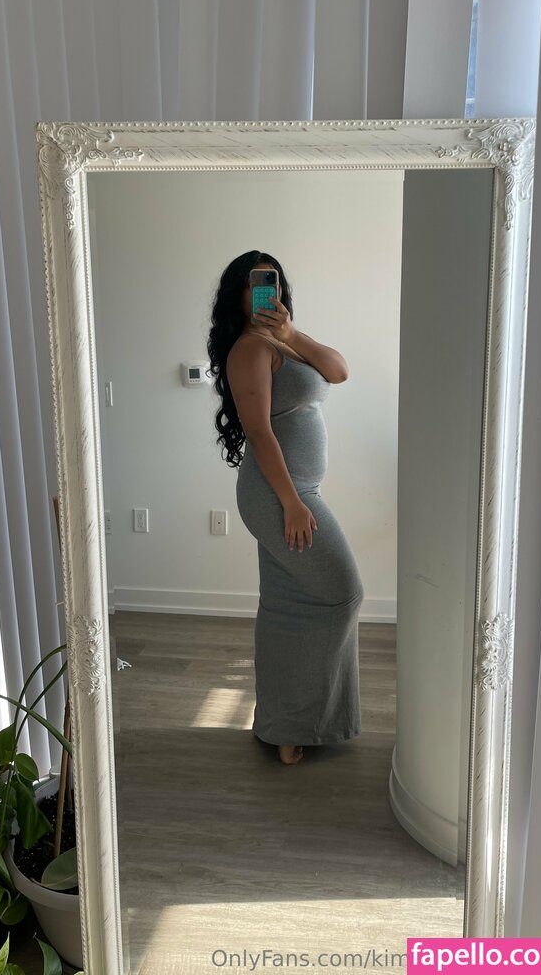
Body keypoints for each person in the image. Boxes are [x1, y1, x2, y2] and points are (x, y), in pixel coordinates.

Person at [207, 250, 364, 766]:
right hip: (280, 495)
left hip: (294, 491)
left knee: (285, 603)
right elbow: (259, 432)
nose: (267, 291)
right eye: (256, 283)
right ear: (239, 294)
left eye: (272, 282)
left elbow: (339, 371)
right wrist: (292, 503)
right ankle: (298, 722)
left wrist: (292, 333)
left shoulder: (281, 341)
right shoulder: (250, 348)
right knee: (343, 593)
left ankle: (283, 726)